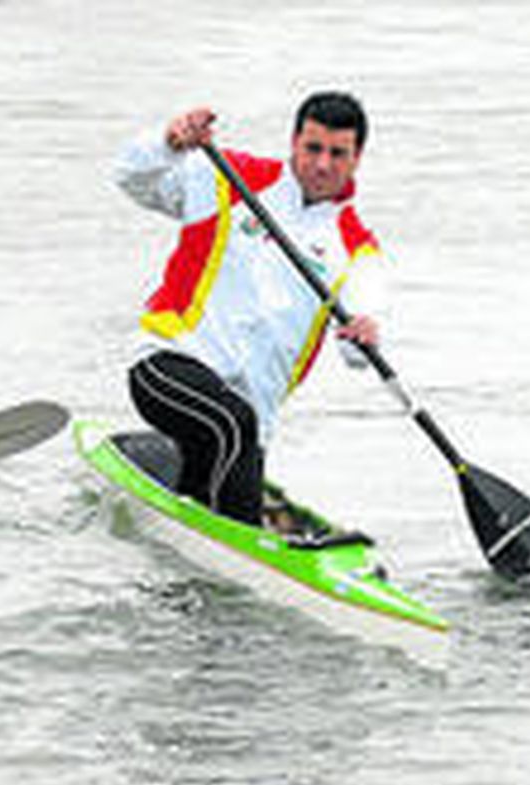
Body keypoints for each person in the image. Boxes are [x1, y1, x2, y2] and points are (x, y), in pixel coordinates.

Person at [112, 91, 386, 526]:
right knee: (233, 426)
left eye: (338, 153)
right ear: (294, 142)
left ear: (357, 158)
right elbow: (129, 177)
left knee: (231, 447)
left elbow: (357, 353)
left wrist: (366, 332)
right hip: (169, 363)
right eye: (312, 148)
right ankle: (246, 548)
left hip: (249, 421)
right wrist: (169, 142)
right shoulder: (227, 177)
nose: (322, 165)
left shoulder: (357, 250)